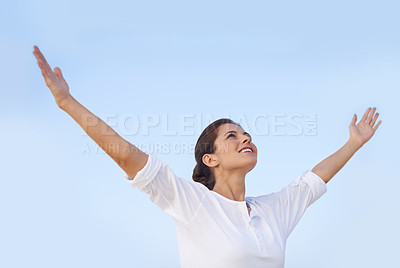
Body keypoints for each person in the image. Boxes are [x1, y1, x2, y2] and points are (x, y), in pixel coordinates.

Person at [33, 45, 382, 268]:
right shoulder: (193, 202)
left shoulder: (272, 211)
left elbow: (312, 181)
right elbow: (127, 156)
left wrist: (354, 143)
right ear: (210, 159)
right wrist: (67, 103)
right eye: (232, 136)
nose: (245, 138)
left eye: (246, 134)